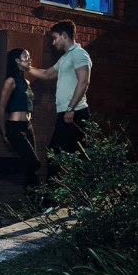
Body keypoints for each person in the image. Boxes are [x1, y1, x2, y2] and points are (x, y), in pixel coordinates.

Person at [26, 20, 92, 181]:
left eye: (55, 38)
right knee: (63, 155)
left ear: (64, 35)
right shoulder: (66, 58)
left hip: (75, 113)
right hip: (66, 113)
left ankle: (57, 201)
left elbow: (84, 81)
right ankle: (64, 200)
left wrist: (71, 108)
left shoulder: (79, 54)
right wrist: (27, 68)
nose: (53, 42)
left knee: (60, 154)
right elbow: (47, 74)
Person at [0, 48, 40, 189]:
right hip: (15, 127)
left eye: (29, 56)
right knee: (34, 163)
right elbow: (1, 110)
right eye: (26, 56)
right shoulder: (10, 81)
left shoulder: (26, 82)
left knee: (31, 167)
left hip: (28, 127)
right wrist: (4, 133)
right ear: (17, 60)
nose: (29, 59)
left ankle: (35, 204)